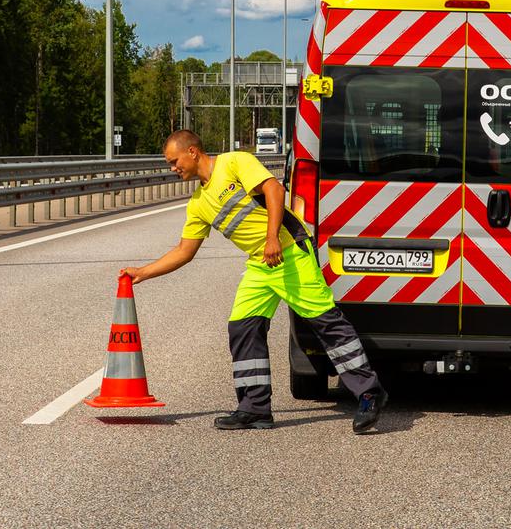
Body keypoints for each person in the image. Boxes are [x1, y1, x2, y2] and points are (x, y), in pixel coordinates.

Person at [121, 129, 386, 432]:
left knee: (326, 323)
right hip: (260, 265)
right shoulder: (198, 203)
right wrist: (143, 272)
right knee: (242, 326)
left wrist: (272, 237)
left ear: (192, 152)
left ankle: (369, 393)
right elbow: (184, 251)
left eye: (174, 161)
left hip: (288, 252)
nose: (173, 168)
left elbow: (274, 190)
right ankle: (254, 408)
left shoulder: (234, 162)